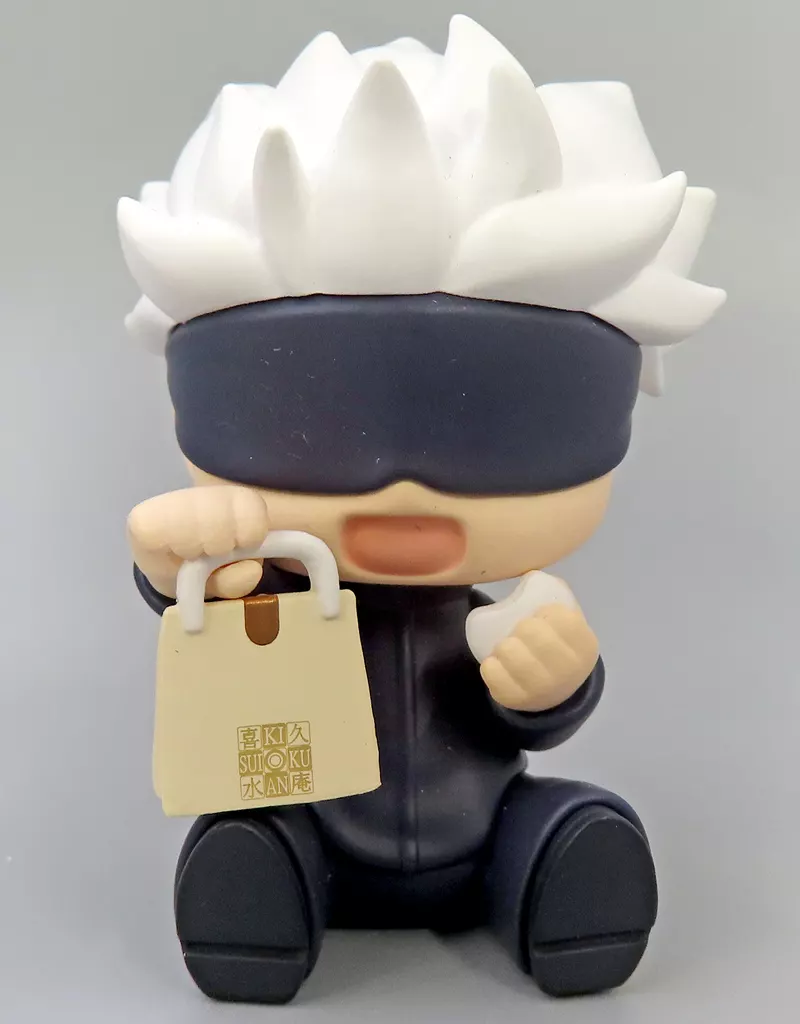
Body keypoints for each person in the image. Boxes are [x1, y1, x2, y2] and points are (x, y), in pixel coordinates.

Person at [120, 15, 725, 1005]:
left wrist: (550, 682)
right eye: (305, 428)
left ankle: (551, 872)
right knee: (253, 834)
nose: (403, 493)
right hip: (312, 822)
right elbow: (216, 613)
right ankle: (264, 890)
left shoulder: (489, 614)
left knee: (567, 815)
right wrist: (181, 563)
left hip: (485, 824)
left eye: (509, 430)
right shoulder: (280, 588)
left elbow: (530, 721)